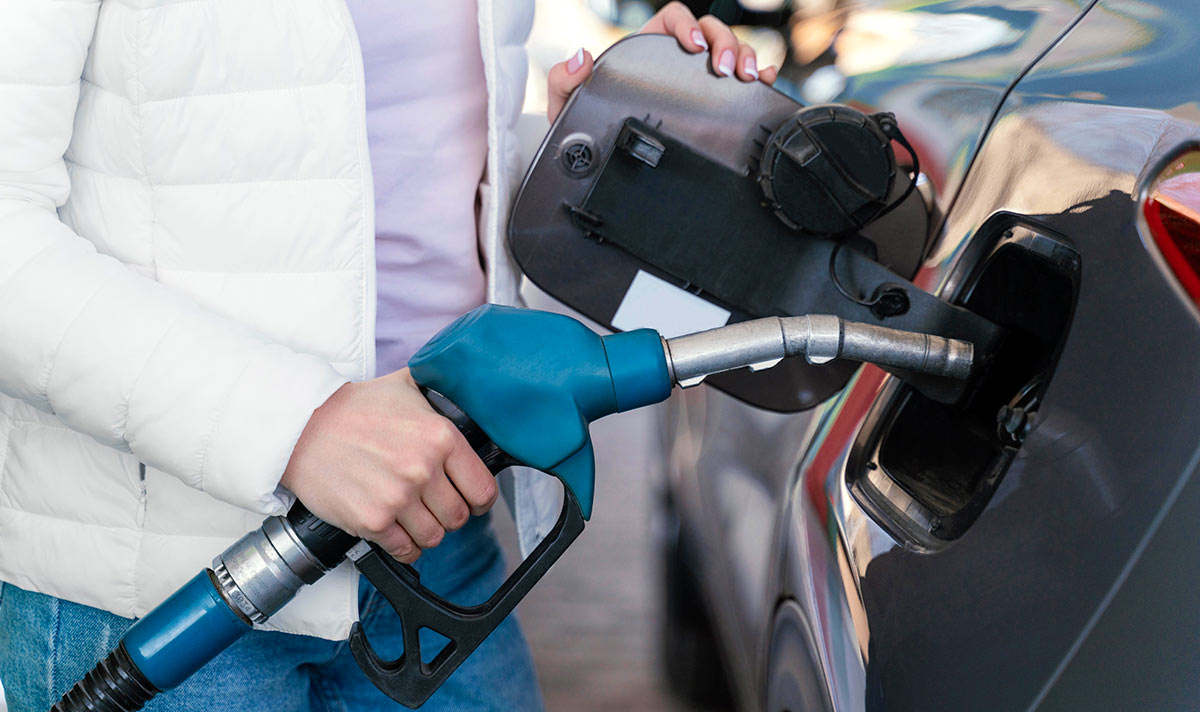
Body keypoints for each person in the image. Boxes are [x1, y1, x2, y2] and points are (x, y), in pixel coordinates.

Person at [0, 1, 773, 710]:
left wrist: (591, 158)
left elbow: (403, 189)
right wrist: (298, 426)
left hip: (435, 537)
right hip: (164, 576)